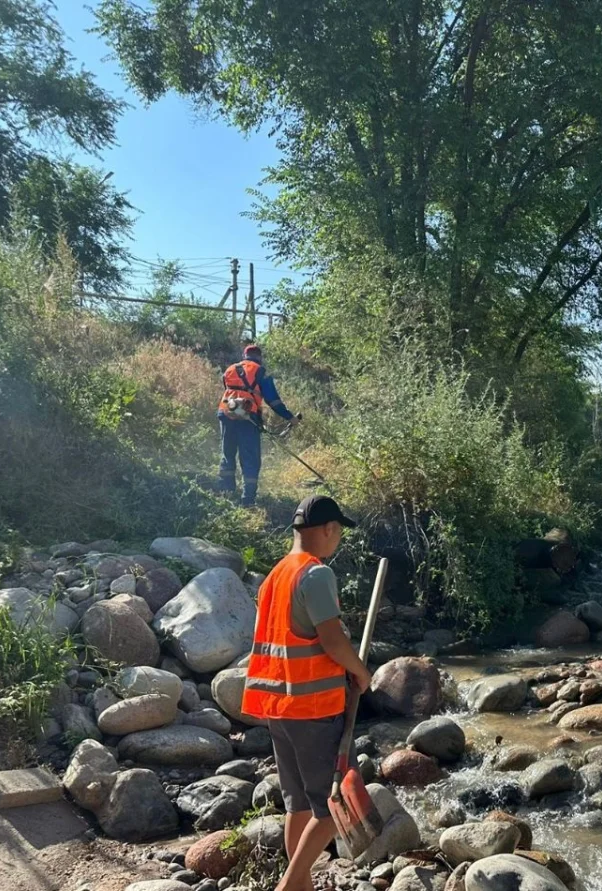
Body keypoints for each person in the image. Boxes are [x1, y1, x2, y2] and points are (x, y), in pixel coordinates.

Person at [241, 494, 372, 891]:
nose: (338, 541)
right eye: (339, 533)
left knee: (298, 804)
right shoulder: (315, 575)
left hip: (278, 706)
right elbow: (331, 640)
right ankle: (289, 885)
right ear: (329, 529)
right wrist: (361, 672)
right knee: (330, 810)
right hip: (312, 707)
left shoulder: (276, 575)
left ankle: (301, 887)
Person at [217, 343, 297, 506]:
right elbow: (273, 401)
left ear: (244, 356)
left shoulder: (230, 369)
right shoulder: (260, 372)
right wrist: (290, 417)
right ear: (259, 357)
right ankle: (248, 500)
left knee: (228, 452)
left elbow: (229, 389)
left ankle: (227, 492)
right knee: (250, 458)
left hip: (226, 413)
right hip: (247, 417)